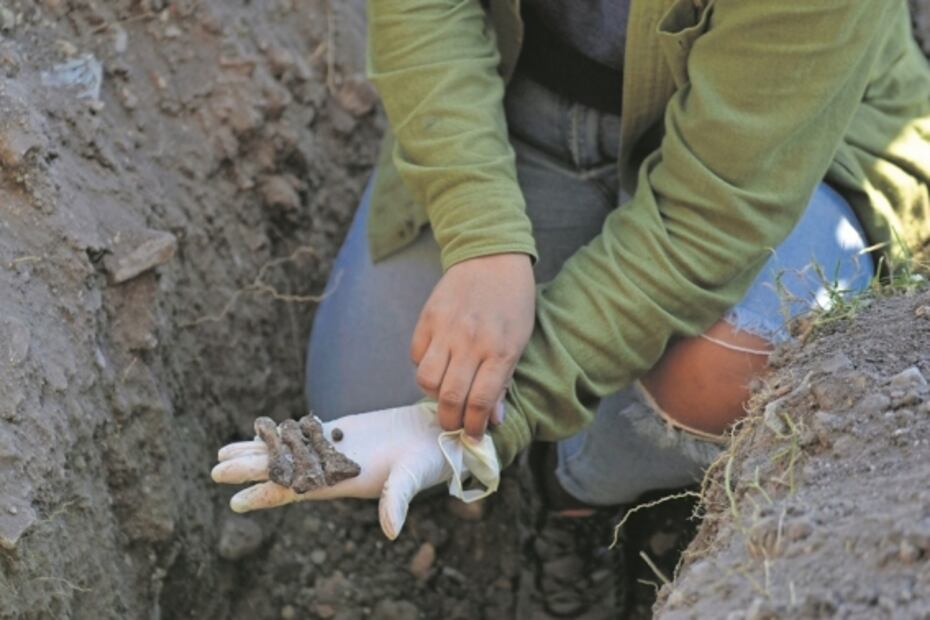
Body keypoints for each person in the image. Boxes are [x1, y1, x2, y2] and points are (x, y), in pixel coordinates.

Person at [213, 0, 930, 615]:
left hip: (782, 145)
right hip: (527, 98)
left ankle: (582, 494)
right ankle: (586, 429)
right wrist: (483, 239)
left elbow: (711, 216)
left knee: (724, 366)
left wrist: (504, 409)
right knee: (361, 396)